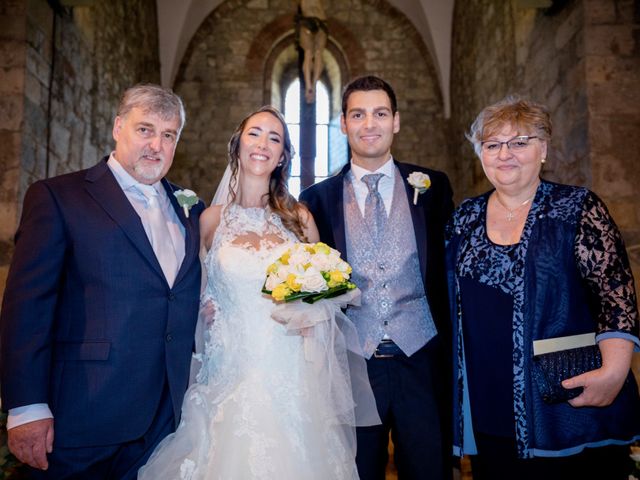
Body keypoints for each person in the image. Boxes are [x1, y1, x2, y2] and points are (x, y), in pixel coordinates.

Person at [139, 105, 378, 479]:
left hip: (291, 373)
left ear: (282, 155)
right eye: (254, 133)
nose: (262, 144)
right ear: (237, 144)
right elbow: (186, 292)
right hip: (227, 369)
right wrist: (202, 308)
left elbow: (327, 299)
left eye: (274, 138)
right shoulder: (210, 220)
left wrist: (312, 319)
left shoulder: (300, 219)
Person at [0, 84, 204, 479]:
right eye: (145, 130)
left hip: (166, 416)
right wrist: (26, 407)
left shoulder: (192, 207)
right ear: (117, 127)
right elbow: (27, 306)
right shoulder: (60, 196)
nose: (156, 146)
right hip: (84, 412)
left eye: (169, 135)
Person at [446, 96, 640, 479]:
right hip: (488, 406)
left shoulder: (577, 208)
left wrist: (614, 372)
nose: (506, 154)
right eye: (493, 144)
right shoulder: (463, 218)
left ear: (544, 149)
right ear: (480, 153)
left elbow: (615, 295)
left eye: (520, 142)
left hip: (568, 404)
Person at [300, 75, 454, 480]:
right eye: (359, 114)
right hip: (353, 364)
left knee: (428, 470)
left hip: (421, 357)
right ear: (344, 123)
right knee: (355, 471)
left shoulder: (433, 187)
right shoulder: (317, 199)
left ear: (396, 121)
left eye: (380, 113)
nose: (370, 123)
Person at [296, 0, 327, 103]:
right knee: (317, 53)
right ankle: (312, 85)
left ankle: (310, 85)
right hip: (320, 21)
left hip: (311, 22)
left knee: (309, 53)